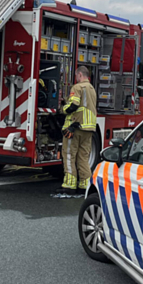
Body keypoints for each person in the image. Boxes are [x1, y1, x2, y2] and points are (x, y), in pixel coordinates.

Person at [59, 65, 97, 195]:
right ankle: (84, 185)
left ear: (80, 75)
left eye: (76, 76)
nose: (76, 78)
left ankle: (69, 185)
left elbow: (74, 105)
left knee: (69, 155)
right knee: (83, 157)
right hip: (89, 128)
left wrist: (63, 108)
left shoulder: (77, 87)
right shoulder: (92, 89)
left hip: (75, 127)